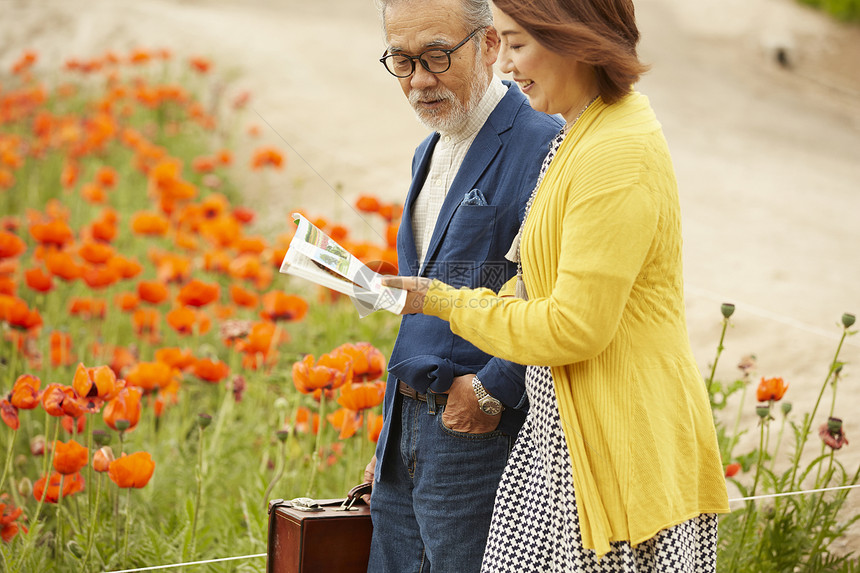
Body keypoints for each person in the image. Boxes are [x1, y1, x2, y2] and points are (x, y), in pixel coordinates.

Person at [383, 0, 731, 571]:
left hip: (614, 449)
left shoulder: (615, 151)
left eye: (517, 45)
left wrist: (440, 300)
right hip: (564, 445)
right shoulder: (583, 136)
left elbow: (573, 326)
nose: (505, 66)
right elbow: (536, 283)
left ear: (576, 39)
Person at [365, 0, 563, 571]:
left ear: (490, 45)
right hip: (407, 423)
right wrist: (389, 441)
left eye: (436, 57)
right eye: (402, 61)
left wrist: (493, 389)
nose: (419, 81)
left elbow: (551, 290)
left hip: (482, 431)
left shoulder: (543, 142)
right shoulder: (429, 149)